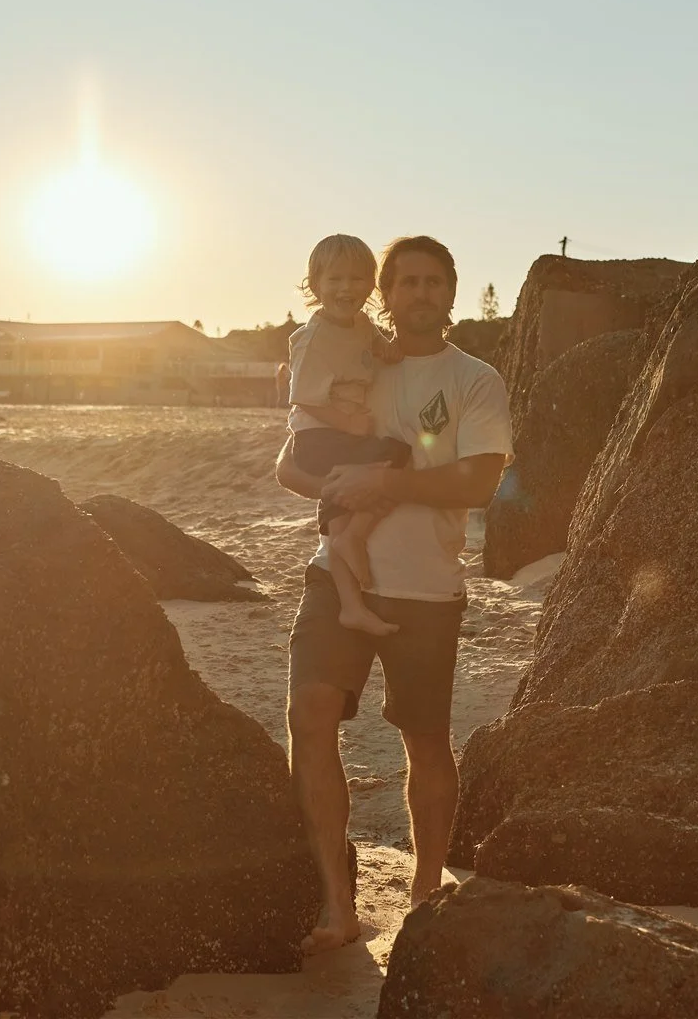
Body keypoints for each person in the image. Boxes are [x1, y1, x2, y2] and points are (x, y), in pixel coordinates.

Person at [273, 235, 512, 955]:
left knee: (425, 739)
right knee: (309, 714)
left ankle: (425, 889)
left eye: (433, 282)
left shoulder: (470, 379)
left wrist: (388, 481)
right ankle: (335, 905)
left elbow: (475, 482)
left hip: (425, 588)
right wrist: (338, 491)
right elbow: (290, 462)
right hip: (336, 571)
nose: (419, 293)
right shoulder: (354, 360)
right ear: (386, 292)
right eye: (405, 281)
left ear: (451, 292)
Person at [286, 234, 408, 638]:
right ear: (314, 283)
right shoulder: (313, 338)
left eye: (358, 279)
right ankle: (356, 535)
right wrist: (346, 423)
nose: (346, 289)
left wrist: (386, 347)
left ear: (371, 284)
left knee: (336, 528)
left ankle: (351, 607)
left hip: (335, 435)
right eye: (335, 279)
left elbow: (370, 342)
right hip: (320, 436)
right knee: (396, 454)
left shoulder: (359, 323)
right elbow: (301, 398)